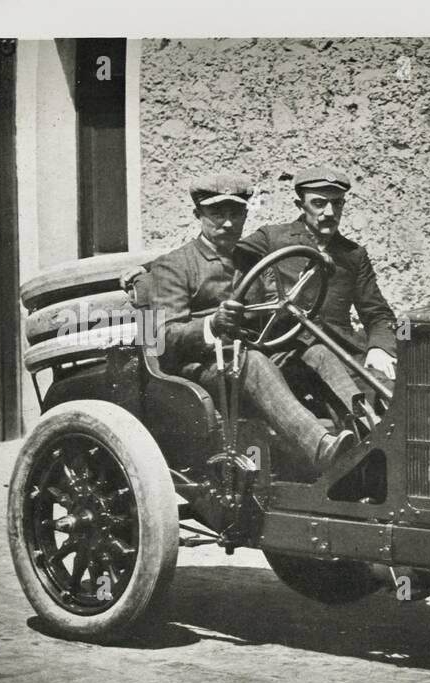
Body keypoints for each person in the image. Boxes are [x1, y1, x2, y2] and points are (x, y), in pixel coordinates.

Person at [143, 172, 351, 477]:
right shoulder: (175, 265)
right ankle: (320, 448)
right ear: (197, 215)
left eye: (236, 213)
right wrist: (212, 324)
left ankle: (368, 429)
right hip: (201, 370)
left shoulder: (252, 259)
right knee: (252, 362)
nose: (228, 223)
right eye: (217, 213)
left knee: (316, 352)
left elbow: (275, 305)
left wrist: (298, 295)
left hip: (256, 353)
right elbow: (162, 337)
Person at [231, 165, 398, 426]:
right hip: (288, 356)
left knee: (392, 392)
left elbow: (377, 313)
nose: (329, 213)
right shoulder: (271, 238)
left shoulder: (353, 255)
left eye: (337, 204)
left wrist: (380, 346)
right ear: (301, 204)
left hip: (342, 354)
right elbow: (227, 256)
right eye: (319, 203)